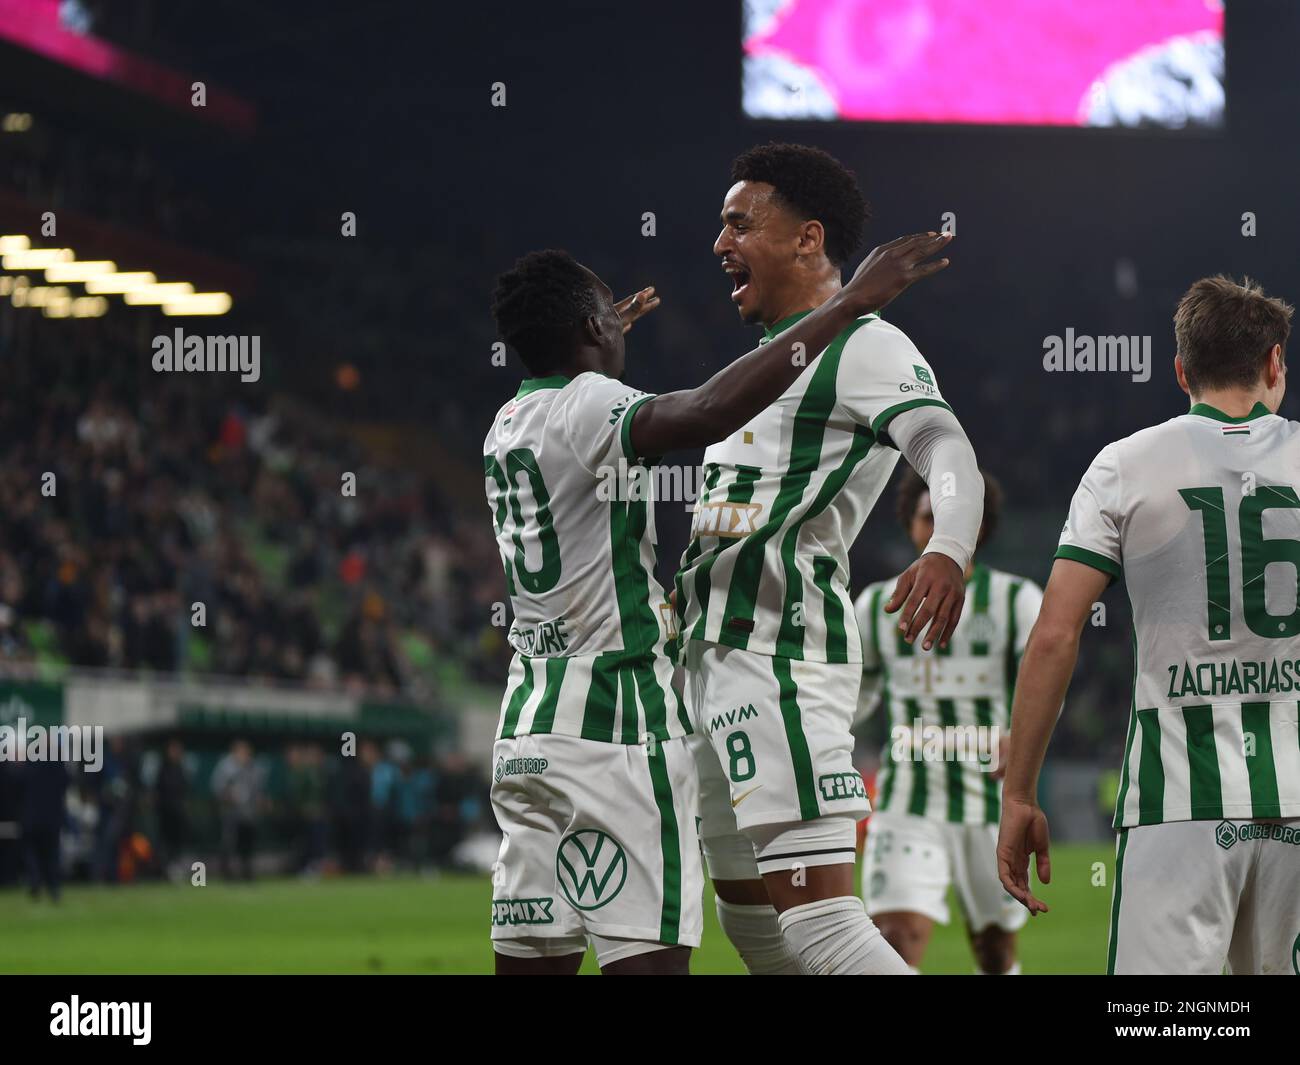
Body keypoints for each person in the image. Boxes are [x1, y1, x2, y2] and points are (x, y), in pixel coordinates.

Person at [486, 228, 950, 975]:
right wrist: (851, 303)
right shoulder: (592, 404)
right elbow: (704, 411)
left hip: (528, 730)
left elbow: (575, 401)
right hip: (618, 727)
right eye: (606, 314)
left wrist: (590, 335)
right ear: (592, 332)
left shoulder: (506, 424)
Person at [676, 143, 982, 975]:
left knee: (823, 928)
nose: (719, 242)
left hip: (780, 659)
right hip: (709, 671)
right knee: (755, 929)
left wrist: (950, 545)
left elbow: (945, 446)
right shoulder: (760, 364)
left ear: (809, 239)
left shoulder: (867, 345)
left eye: (740, 223)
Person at [997, 275, 1300, 975]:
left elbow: (1054, 635)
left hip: (1179, 804)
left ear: (1180, 370)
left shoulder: (1126, 465)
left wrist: (1018, 792)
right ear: (1275, 363)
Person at [855, 468, 1039, 973]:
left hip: (988, 803)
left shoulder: (1015, 600)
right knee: (894, 938)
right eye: (926, 517)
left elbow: (1045, 685)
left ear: (977, 524)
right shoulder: (875, 605)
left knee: (995, 950)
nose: (936, 528)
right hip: (907, 796)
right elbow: (856, 692)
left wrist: (1019, 739)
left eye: (948, 517)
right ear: (910, 525)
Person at [211, 739, 263, 881]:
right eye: (241, 751)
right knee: (229, 843)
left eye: (246, 751)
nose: (244, 754)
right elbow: (217, 787)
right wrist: (228, 795)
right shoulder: (226, 767)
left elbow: (257, 788)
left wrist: (259, 799)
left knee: (247, 844)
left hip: (248, 812)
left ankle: (247, 873)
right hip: (231, 811)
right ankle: (226, 874)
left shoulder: (252, 766)